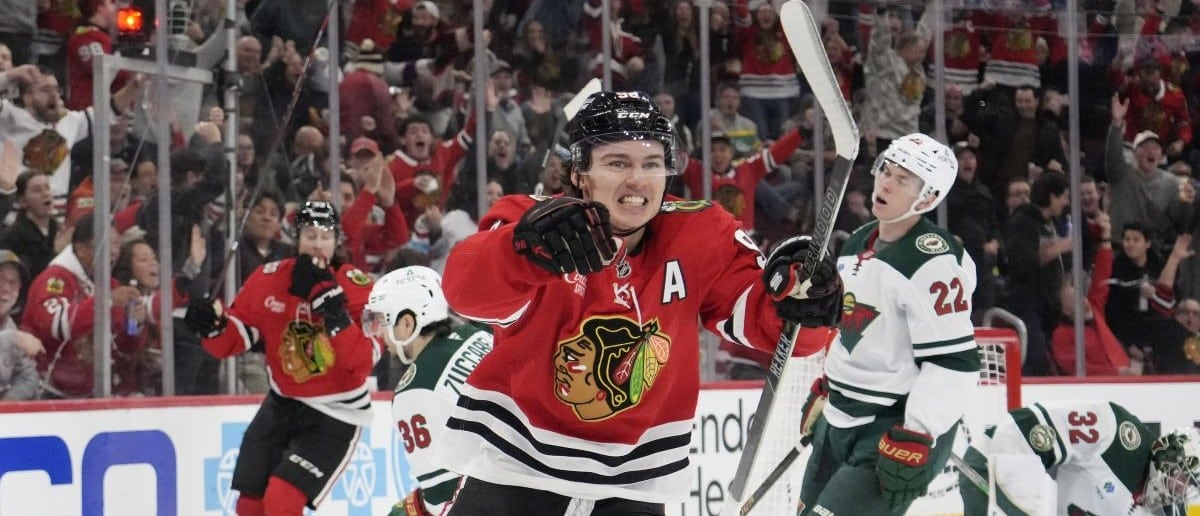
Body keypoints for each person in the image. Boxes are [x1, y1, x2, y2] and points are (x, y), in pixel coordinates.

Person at [433, 91, 843, 514]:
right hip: (515, 466)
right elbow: (465, 292)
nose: (637, 180)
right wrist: (521, 249)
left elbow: (784, 333)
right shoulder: (532, 221)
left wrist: (804, 303)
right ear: (580, 173)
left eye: (651, 163)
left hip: (635, 485)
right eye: (617, 163)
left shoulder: (701, 234)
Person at [799, 133, 979, 516]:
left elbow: (955, 365)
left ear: (928, 197)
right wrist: (830, 386)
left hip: (891, 430)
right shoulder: (859, 242)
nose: (885, 183)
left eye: (902, 179)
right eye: (886, 170)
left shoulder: (933, 263)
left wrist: (918, 431)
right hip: (840, 420)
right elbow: (855, 329)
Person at [183, 201, 383, 515]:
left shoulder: (361, 288)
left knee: (281, 502)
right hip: (282, 403)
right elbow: (233, 340)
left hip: (336, 412)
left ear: (337, 241)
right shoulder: (268, 278)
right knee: (249, 507)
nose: (318, 244)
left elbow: (362, 362)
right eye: (310, 234)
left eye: (325, 236)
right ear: (295, 237)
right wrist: (213, 326)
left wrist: (332, 309)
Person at [363, 266, 494, 516]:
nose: (381, 335)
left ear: (407, 323)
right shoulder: (475, 333)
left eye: (382, 322)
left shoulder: (413, 392)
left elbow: (442, 497)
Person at [959, 402, 1200, 515]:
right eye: (1183, 477)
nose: (1181, 488)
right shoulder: (1116, 430)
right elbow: (1021, 429)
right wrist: (1021, 500)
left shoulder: (1166, 508)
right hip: (992, 462)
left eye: (1189, 486)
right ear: (1167, 458)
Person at [20, 213, 140, 398]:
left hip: (92, 394)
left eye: (116, 243)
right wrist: (106, 301)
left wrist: (134, 323)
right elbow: (56, 325)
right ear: (81, 249)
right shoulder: (54, 279)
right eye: (105, 243)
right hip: (47, 393)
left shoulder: (112, 287)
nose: (113, 251)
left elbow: (124, 346)